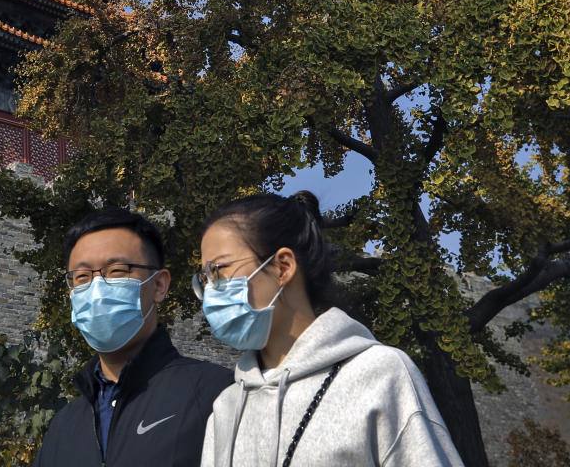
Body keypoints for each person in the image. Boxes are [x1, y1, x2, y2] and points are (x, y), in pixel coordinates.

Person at [195, 192, 464, 467]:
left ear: (283, 267)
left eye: (219, 271)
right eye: (204, 278)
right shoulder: (226, 408)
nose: (211, 291)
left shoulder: (381, 374)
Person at [34, 208, 233, 467]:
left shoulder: (215, 394)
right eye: (82, 277)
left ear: (159, 285)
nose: (96, 289)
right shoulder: (64, 426)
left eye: (116, 271)